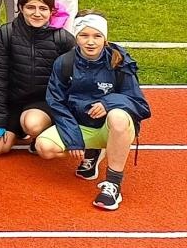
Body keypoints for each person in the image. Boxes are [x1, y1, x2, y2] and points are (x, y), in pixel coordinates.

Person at [35, 12, 150, 210]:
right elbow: (56, 103)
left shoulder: (119, 61)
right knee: (44, 147)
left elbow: (140, 104)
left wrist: (108, 103)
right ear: (76, 37)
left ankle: (113, 185)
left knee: (118, 116)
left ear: (105, 38)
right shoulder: (64, 62)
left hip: (110, 128)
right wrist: (73, 139)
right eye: (84, 35)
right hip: (80, 126)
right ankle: (93, 151)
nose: (90, 42)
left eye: (97, 36)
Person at [0, 0, 73, 157]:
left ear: (52, 11)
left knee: (32, 124)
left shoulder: (64, 39)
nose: (37, 13)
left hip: (43, 103)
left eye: (43, 8)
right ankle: (18, 129)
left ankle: (42, 133)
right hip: (13, 103)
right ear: (20, 8)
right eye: (31, 7)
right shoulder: (5, 34)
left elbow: (72, 82)